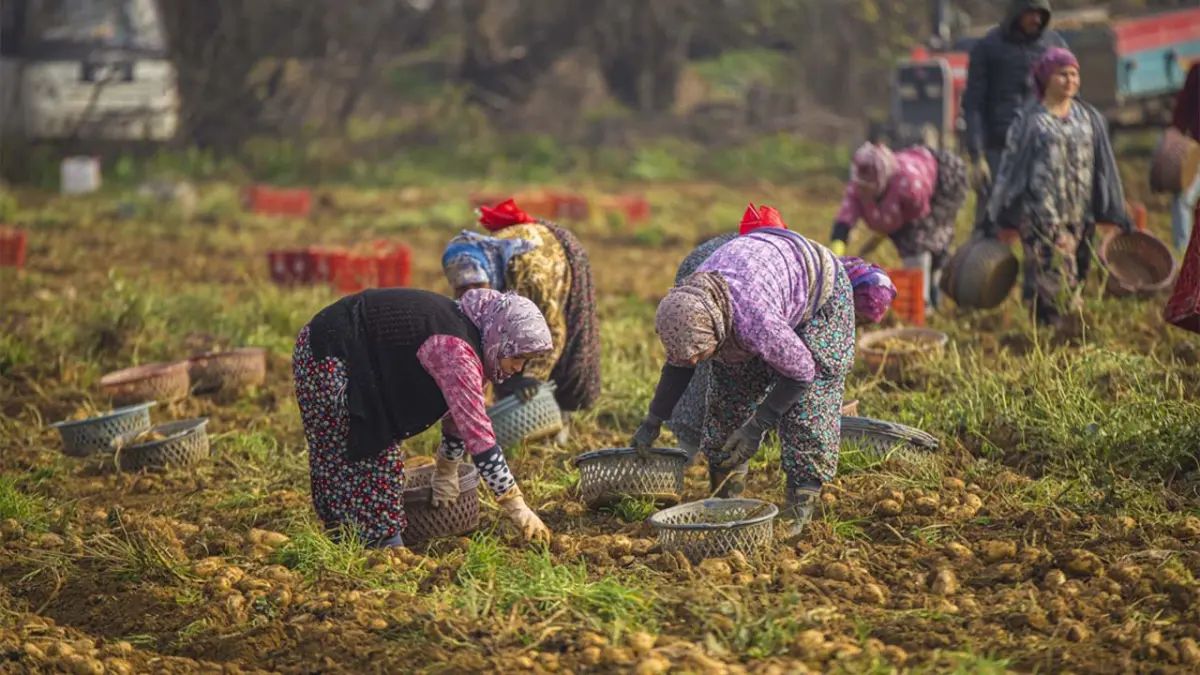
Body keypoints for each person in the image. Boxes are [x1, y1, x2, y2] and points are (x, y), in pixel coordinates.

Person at [630, 206, 897, 541]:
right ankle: (726, 502)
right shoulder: (693, 305)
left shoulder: (754, 318)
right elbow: (679, 364)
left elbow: (801, 373)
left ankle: (797, 515)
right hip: (759, 289)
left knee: (809, 407)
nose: (695, 360)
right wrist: (652, 422)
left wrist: (756, 427)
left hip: (819, 288)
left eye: (700, 351)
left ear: (715, 327)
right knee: (728, 399)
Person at [292, 287, 553, 548]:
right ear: (501, 337)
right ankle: (373, 544)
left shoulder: (479, 338)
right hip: (331, 350)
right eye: (517, 357)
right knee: (358, 448)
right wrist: (515, 504)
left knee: (372, 454)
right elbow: (478, 435)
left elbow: (459, 412)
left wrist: (447, 468)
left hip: (362, 356)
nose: (519, 367)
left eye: (526, 361)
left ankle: (360, 539)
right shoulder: (457, 349)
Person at [983, 47, 1130, 328]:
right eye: (1062, 74)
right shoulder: (1030, 121)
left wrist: (1115, 208)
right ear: (1045, 78)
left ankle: (1043, 332)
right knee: (1062, 278)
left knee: (1071, 276)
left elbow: (1105, 166)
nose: (1070, 80)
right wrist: (995, 211)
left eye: (1074, 74)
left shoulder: (1088, 117)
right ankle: (1071, 334)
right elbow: (1009, 168)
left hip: (1080, 215)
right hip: (1043, 218)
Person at [441, 199, 600, 443]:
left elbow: (554, 328)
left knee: (564, 352)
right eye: (463, 289)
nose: (473, 293)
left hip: (551, 255)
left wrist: (532, 377)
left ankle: (560, 420)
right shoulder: (470, 276)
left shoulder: (530, 275)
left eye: (479, 285)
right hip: (519, 259)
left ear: (489, 275)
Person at [662, 207, 787, 463]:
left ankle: (687, 459)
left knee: (699, 380)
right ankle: (708, 461)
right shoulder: (751, 269)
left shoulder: (717, 253)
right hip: (720, 335)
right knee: (723, 390)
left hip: (702, 336)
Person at [962, 0, 1067, 232]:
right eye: (1031, 13)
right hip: (999, 151)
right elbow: (973, 104)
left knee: (1046, 227)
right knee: (991, 227)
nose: (1036, 20)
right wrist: (977, 156)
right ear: (1016, 13)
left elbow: (1069, 98)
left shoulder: (1054, 46)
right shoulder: (988, 48)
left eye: (1041, 15)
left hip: (1043, 150)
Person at [830, 142, 968, 308]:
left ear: (881, 180)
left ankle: (925, 299)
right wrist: (834, 262)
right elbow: (843, 222)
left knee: (921, 244)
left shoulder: (909, 186)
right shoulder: (858, 188)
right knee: (911, 244)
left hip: (940, 180)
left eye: (868, 186)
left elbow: (916, 222)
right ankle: (923, 297)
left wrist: (882, 234)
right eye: (861, 186)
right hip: (907, 205)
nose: (863, 190)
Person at [1169, 63, 1200, 254]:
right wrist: (1176, 139)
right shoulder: (1197, 71)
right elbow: (1183, 109)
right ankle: (1182, 251)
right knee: (1182, 197)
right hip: (1197, 151)